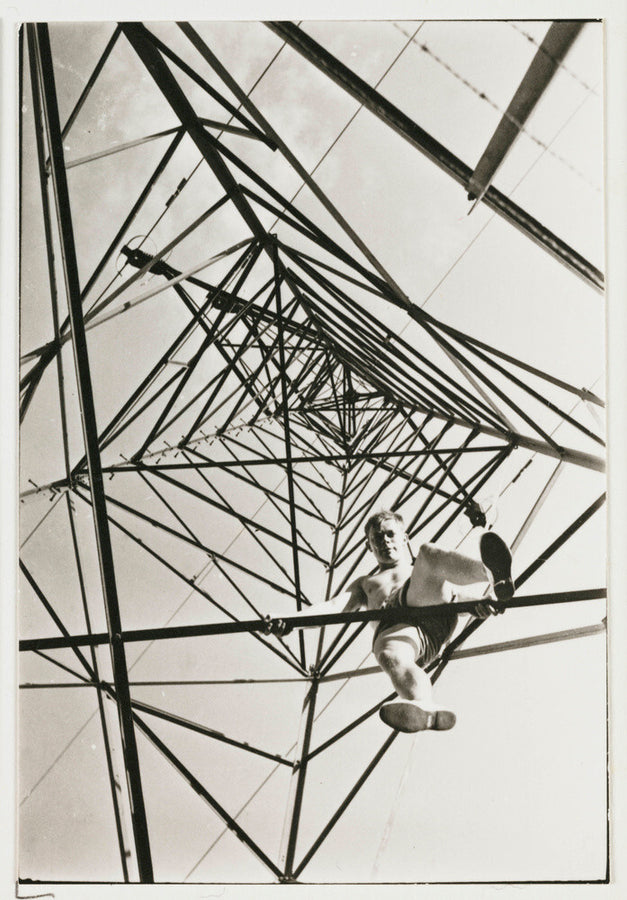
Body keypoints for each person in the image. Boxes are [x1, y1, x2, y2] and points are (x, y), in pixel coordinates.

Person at [268, 510, 514, 734]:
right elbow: (333, 608)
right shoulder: (366, 583)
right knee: (388, 653)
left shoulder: (419, 571)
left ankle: (491, 574)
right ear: (369, 547)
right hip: (400, 632)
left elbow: (456, 596)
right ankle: (422, 705)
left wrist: (480, 604)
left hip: (429, 607)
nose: (384, 541)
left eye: (390, 534)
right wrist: (292, 621)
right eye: (377, 538)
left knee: (428, 554)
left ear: (404, 538)